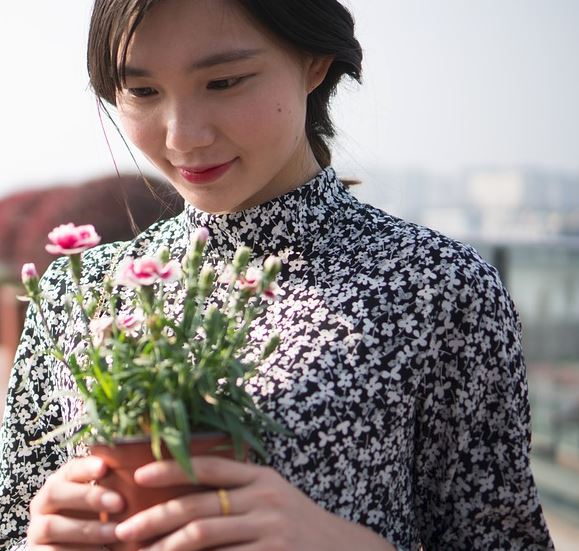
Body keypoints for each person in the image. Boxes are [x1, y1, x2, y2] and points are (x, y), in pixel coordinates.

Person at [0, 1, 554, 549]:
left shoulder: (438, 287)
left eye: (224, 81)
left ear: (314, 62)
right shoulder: (81, 291)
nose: (182, 135)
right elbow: (12, 520)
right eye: (143, 92)